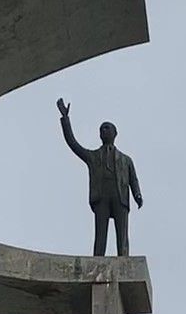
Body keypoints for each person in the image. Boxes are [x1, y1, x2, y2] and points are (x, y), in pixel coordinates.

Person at [56, 100, 143, 257]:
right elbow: (73, 144)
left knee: (122, 235)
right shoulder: (93, 156)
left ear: (115, 134)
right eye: (101, 129)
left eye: (107, 128)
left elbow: (133, 179)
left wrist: (137, 194)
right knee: (100, 234)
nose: (104, 130)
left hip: (120, 197)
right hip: (101, 197)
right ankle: (98, 260)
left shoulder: (126, 160)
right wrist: (65, 119)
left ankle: (123, 259)